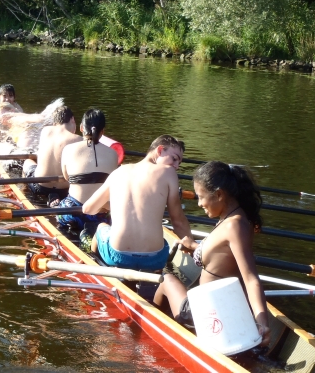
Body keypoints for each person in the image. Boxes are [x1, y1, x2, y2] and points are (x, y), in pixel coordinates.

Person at [152, 161, 271, 346]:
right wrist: (194, 247)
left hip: (211, 313)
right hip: (220, 304)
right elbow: (223, 254)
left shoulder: (234, 225)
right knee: (171, 281)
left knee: (166, 280)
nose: (199, 203)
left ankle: (153, 328)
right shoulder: (234, 217)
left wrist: (262, 323)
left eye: (201, 197)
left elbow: (251, 279)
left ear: (219, 194)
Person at [83, 135, 192, 270]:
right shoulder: (168, 173)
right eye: (174, 159)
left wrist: (113, 206)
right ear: (159, 150)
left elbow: (88, 209)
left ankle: (95, 264)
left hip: (117, 256)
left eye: (178, 163)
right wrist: (193, 248)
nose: (175, 166)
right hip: (155, 259)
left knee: (101, 228)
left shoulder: (119, 171)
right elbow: (178, 222)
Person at [56, 109, 118, 236]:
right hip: (100, 215)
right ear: (102, 132)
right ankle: (91, 233)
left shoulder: (68, 149)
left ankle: (70, 232)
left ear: (81, 128)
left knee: (59, 207)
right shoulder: (113, 154)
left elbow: (67, 177)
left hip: (73, 213)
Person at [22, 105, 82, 201]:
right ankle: (55, 196)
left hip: (40, 186)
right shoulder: (79, 140)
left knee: (27, 162)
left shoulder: (46, 130)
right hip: (65, 190)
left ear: (55, 123)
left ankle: (26, 193)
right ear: (72, 119)